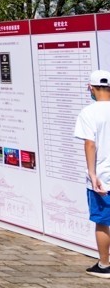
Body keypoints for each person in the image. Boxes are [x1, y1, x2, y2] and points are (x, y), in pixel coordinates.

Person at [74, 69, 110, 278]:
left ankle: (104, 265)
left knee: (103, 221)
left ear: (91, 87)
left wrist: (91, 173)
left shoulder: (89, 112)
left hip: (103, 178)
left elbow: (90, 143)